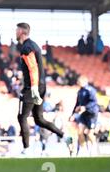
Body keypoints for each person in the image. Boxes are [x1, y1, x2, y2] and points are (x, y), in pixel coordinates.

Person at [15, 23, 72, 156]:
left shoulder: (26, 47)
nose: (15, 32)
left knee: (22, 117)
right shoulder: (34, 45)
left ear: (22, 32)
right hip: (41, 86)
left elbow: (33, 68)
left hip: (32, 87)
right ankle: (65, 137)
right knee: (39, 119)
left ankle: (27, 150)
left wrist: (33, 87)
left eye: (17, 30)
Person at [72, 76, 99, 156]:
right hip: (83, 114)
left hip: (91, 113)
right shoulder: (80, 91)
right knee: (80, 132)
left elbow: (94, 102)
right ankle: (83, 150)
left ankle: (94, 147)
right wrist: (73, 114)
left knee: (89, 133)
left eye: (79, 81)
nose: (77, 83)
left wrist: (85, 107)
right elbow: (77, 103)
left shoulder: (90, 90)